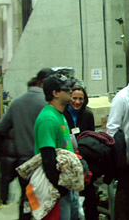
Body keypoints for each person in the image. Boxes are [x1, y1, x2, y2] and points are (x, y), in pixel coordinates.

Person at [0, 68, 53, 220]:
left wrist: (20, 132)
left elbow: (1, 128)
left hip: (23, 162)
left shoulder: (17, 102)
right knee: (46, 201)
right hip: (43, 161)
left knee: (26, 199)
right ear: (43, 83)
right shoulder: (48, 105)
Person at [34, 73, 79, 220]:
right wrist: (60, 188)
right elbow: (48, 158)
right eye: (67, 90)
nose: (71, 92)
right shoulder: (48, 119)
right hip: (57, 189)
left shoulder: (60, 115)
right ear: (55, 93)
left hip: (67, 186)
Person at [106, 64, 129, 220]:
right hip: (126, 156)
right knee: (125, 194)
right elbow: (112, 128)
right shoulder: (122, 97)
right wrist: (121, 155)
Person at [63, 85, 96, 220]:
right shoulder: (62, 114)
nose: (77, 102)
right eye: (74, 98)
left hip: (84, 158)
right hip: (68, 159)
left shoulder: (88, 115)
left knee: (89, 193)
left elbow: (91, 136)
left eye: (80, 99)